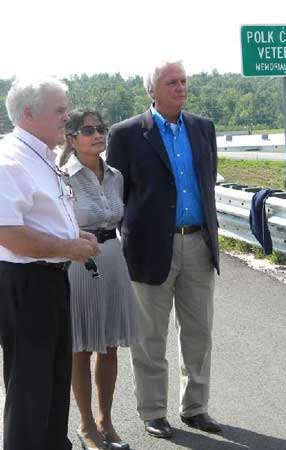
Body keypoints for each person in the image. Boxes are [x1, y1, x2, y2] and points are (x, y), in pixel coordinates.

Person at [106, 59, 221, 439]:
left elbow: (207, 186)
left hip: (198, 244)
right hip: (148, 248)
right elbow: (115, 195)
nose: (181, 87)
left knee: (199, 333)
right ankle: (153, 411)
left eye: (184, 81)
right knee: (149, 336)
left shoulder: (203, 129)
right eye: (172, 82)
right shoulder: (125, 135)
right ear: (151, 90)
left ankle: (195, 408)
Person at [0, 77, 100, 450]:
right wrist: (68, 247)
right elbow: (8, 235)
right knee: (30, 386)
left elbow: (44, 216)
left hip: (50, 277)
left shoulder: (40, 155)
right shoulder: (10, 160)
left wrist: (77, 239)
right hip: (27, 281)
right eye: (59, 110)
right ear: (28, 113)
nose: (67, 118)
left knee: (55, 380)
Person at [58, 109, 138, 450]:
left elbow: (119, 219)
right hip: (79, 263)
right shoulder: (62, 176)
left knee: (108, 346)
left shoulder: (115, 175)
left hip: (114, 258)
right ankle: (86, 424)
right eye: (88, 129)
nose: (97, 134)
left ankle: (106, 419)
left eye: (101, 128)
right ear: (72, 138)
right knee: (80, 347)